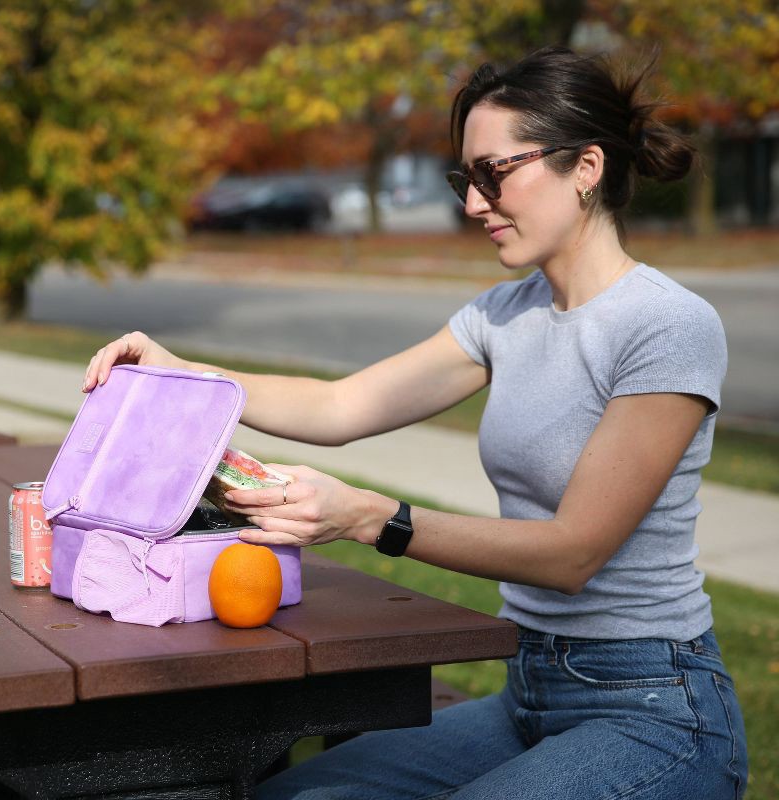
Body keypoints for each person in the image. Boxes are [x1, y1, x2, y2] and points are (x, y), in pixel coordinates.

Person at [83, 46, 747, 800]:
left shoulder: (666, 325)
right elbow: (346, 406)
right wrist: (186, 375)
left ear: (585, 167)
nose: (473, 205)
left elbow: (573, 554)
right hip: (527, 694)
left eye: (495, 174)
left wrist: (372, 518)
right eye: (466, 179)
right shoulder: (506, 314)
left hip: (655, 709)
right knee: (288, 796)